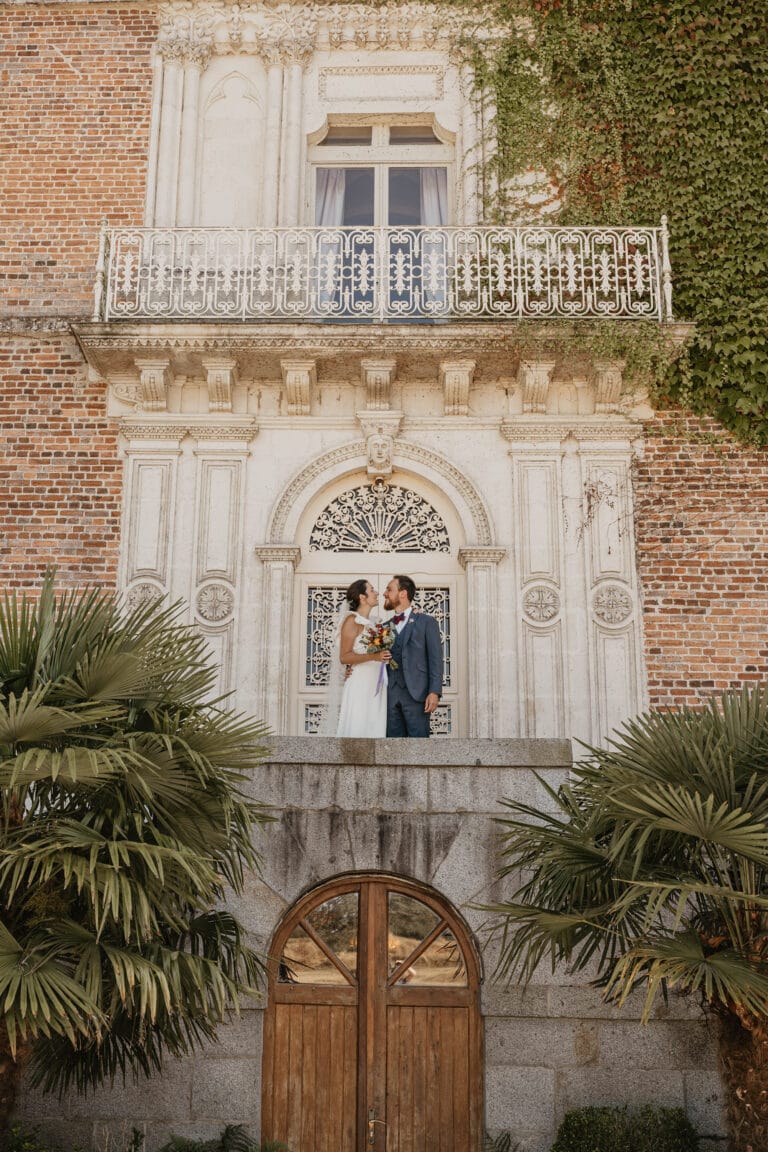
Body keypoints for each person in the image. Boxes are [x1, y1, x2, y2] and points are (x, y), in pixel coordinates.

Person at [383, 574, 443, 738]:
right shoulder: (383, 628)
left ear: (403, 593)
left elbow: (435, 659)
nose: (385, 593)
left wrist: (434, 692)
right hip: (390, 696)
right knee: (392, 748)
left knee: (419, 748)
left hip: (417, 695)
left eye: (389, 589)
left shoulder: (426, 622)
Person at [330, 579, 391, 738]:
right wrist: (375, 656)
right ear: (362, 597)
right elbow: (344, 656)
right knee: (358, 725)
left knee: (374, 728)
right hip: (361, 682)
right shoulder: (352, 620)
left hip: (376, 682)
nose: (377, 593)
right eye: (372, 590)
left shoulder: (375, 623)